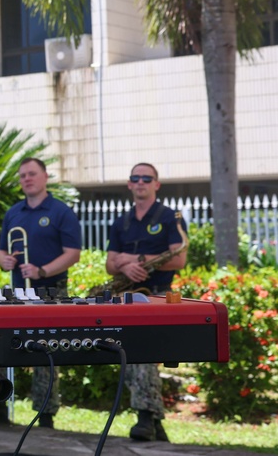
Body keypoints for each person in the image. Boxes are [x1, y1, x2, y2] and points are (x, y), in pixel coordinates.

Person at [0, 157, 81, 429]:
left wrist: (42, 271)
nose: (27, 179)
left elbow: (73, 254)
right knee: (5, 345)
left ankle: (45, 412)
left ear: (45, 177)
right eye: (22, 176)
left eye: (32, 174)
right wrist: (3, 260)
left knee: (46, 350)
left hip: (51, 291)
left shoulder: (61, 211)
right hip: (18, 291)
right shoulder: (13, 212)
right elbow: (2, 250)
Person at [106, 162, 187, 442]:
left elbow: (179, 258)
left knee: (142, 351)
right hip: (128, 294)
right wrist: (125, 268)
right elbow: (109, 264)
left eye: (146, 178)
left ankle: (144, 417)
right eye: (135, 178)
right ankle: (153, 423)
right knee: (136, 353)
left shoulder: (169, 217)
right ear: (129, 184)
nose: (140, 182)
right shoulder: (121, 221)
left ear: (156, 184)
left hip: (160, 294)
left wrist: (135, 260)